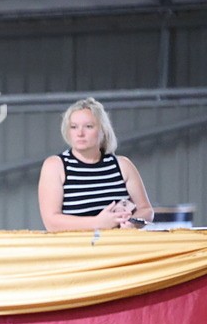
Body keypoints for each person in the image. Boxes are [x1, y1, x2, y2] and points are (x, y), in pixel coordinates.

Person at [38, 97, 154, 231]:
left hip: (117, 247)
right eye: (74, 127)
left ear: (103, 130)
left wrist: (132, 223)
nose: (80, 133)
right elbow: (52, 222)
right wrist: (97, 222)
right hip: (76, 249)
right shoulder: (55, 166)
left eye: (88, 126)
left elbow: (146, 210)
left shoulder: (122, 166)